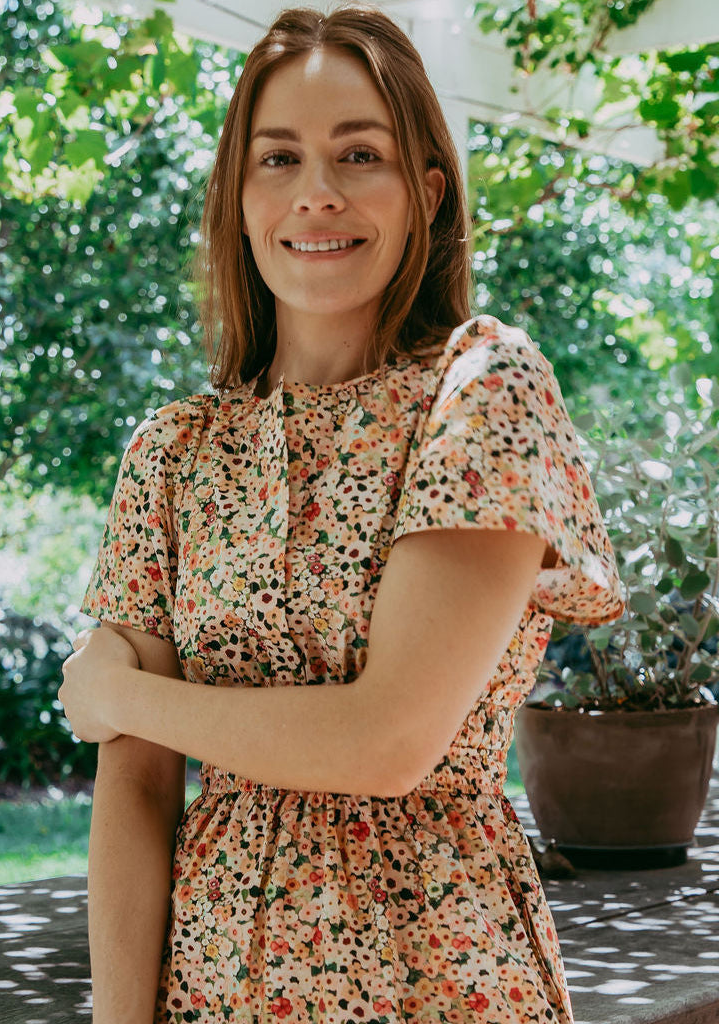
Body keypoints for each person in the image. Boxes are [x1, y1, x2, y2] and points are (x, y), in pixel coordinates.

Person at [59, 5, 625, 1022]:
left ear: (424, 191)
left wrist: (122, 695)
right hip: (214, 988)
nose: (315, 193)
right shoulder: (173, 452)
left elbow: (386, 740)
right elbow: (136, 793)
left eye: (358, 154)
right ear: (238, 199)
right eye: (277, 159)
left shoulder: (480, 390)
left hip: (440, 977)